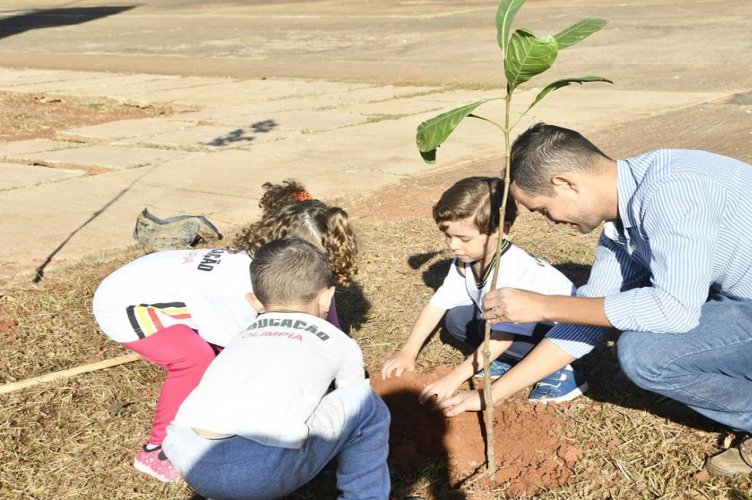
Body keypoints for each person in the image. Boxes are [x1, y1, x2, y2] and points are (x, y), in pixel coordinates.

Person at [436, 123, 752, 477]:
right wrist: (493, 394)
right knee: (647, 335)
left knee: (647, 353)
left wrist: (543, 304)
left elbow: (674, 312)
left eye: (544, 209)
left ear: (565, 182)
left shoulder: (672, 193)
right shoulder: (625, 216)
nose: (550, 222)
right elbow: (586, 319)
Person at [91, 180, 358, 482]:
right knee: (195, 361)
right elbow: (241, 353)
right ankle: (157, 451)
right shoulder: (237, 291)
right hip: (126, 304)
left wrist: (332, 349)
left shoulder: (268, 268)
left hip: (156, 282)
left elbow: (321, 305)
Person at [163, 238, 389, 499]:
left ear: (255, 301)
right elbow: (351, 400)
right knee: (367, 404)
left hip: (188, 458)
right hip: (260, 472)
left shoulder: (240, 336)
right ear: (327, 296)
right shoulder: (339, 341)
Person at [381, 176, 588, 403]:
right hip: (518, 330)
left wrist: (454, 378)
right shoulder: (466, 261)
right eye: (448, 235)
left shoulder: (513, 270)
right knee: (457, 318)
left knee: (500, 331)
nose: (453, 245)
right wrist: (408, 352)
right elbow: (437, 305)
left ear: (501, 231)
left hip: (562, 335)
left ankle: (563, 370)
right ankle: (512, 360)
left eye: (463, 238)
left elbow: (504, 336)